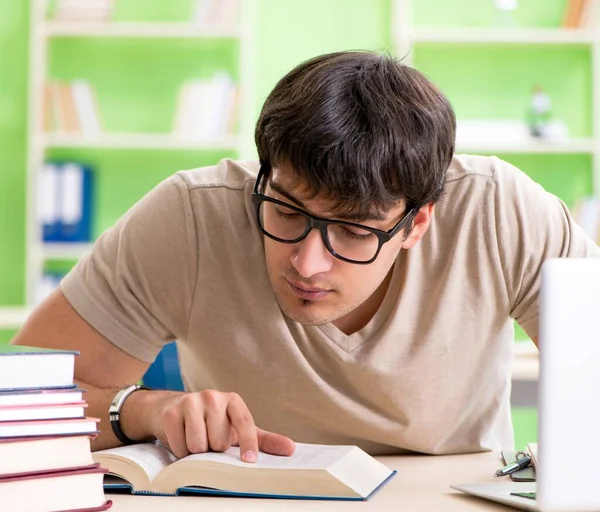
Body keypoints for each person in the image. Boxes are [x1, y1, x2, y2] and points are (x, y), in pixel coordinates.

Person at [12, 51, 600, 463]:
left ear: (416, 222)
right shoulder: (189, 218)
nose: (307, 264)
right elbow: (21, 402)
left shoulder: (502, 214)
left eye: (351, 230)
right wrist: (144, 410)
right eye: (287, 211)